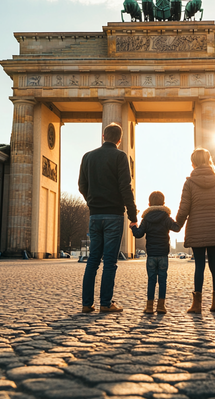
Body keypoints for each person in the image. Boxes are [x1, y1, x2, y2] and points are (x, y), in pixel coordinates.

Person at [78, 122, 138, 313]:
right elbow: (125, 187)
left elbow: (81, 185)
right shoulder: (120, 156)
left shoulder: (87, 157)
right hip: (114, 215)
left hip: (95, 216)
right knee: (110, 261)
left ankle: (87, 304)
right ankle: (105, 303)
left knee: (93, 260)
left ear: (103, 136)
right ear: (119, 140)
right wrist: (133, 215)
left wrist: (92, 202)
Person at [176, 148, 215, 313]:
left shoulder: (189, 183)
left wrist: (177, 225)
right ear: (208, 161)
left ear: (193, 163)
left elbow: (184, 208)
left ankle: (197, 305)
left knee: (199, 265)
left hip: (197, 229)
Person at [131, 191, 181, 314]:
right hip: (163, 253)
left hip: (151, 254)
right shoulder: (166, 217)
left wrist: (133, 226)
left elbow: (139, 234)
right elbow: (176, 228)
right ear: (163, 203)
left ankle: (149, 307)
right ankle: (161, 306)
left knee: (151, 280)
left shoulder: (146, 219)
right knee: (162, 280)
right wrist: (181, 216)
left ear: (149, 203)